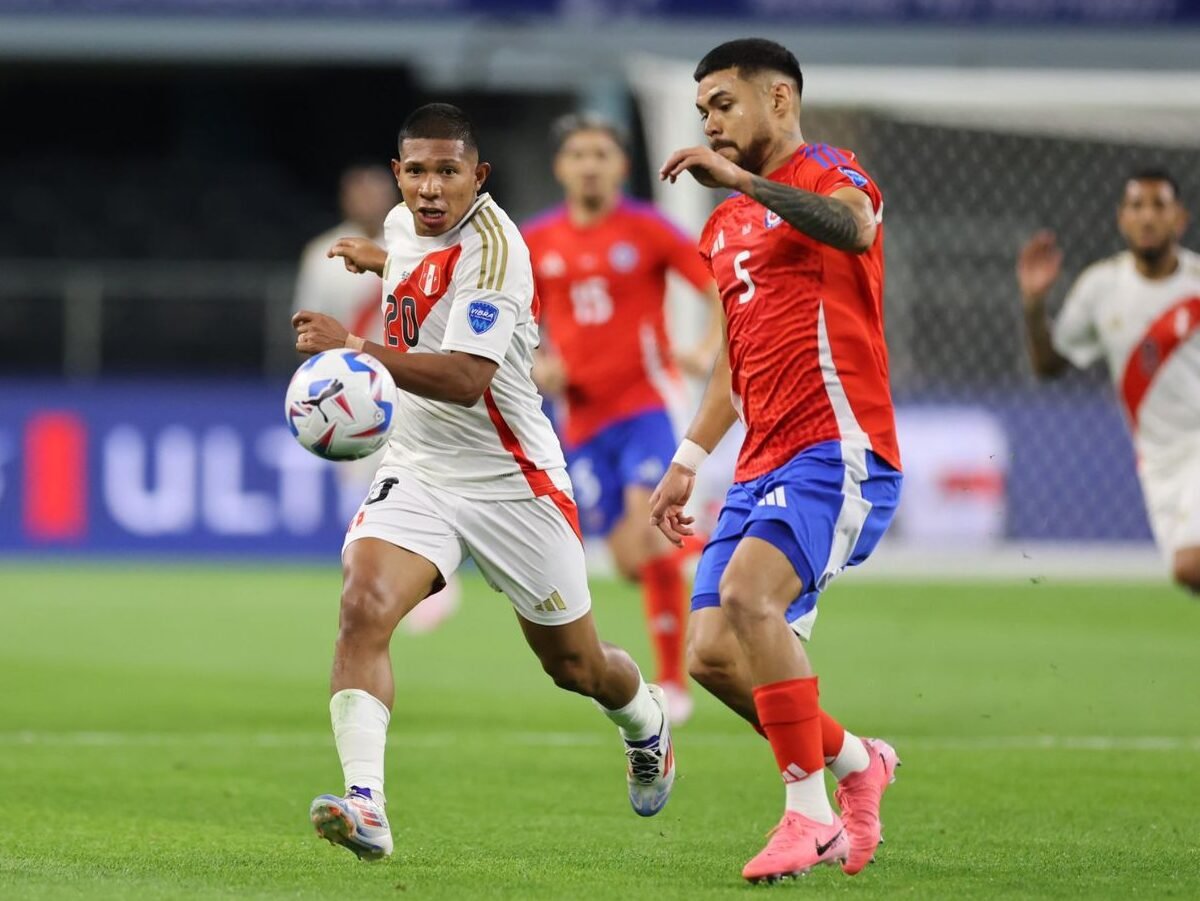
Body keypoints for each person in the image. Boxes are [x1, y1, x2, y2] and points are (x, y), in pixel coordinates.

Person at [292, 103, 675, 862]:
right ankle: (366, 803)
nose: (431, 187)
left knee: (576, 666)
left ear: (479, 175)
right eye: (417, 171)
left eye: (449, 171)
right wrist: (385, 262)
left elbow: (468, 378)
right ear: (398, 173)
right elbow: (422, 264)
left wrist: (355, 345)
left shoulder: (500, 249)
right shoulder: (403, 225)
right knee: (362, 606)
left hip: (512, 481)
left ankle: (645, 722)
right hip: (419, 466)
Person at [649, 39, 903, 883]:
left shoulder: (830, 171)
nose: (710, 123)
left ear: (780, 100)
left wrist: (747, 181)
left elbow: (854, 227)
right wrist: (689, 457)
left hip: (839, 444)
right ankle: (858, 761)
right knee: (711, 654)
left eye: (723, 104)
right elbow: (735, 360)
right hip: (760, 460)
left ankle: (808, 816)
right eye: (703, 112)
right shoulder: (721, 226)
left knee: (752, 596)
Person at [523, 113, 722, 724]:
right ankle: (718, 542)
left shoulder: (648, 229)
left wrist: (708, 347)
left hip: (646, 406)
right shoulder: (535, 240)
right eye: (578, 154)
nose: (590, 165)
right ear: (560, 167)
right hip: (581, 422)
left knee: (650, 530)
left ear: (621, 166)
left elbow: (718, 286)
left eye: (601, 154)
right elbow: (511, 318)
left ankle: (673, 684)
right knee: (633, 560)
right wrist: (538, 362)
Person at [294, 164, 460, 634]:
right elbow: (308, 323)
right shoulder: (321, 253)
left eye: (374, 192)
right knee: (363, 491)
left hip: (413, 381)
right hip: (353, 392)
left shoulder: (420, 243)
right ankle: (378, 580)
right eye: (358, 192)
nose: (366, 200)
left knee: (426, 478)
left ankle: (433, 575)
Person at [1017, 169, 1200, 593]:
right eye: (1137, 206)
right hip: (1158, 461)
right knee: (1189, 574)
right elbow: (1049, 365)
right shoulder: (1101, 287)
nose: (1148, 216)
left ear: (1179, 219)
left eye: (1159, 205)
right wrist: (1033, 304)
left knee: (1189, 565)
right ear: (1122, 218)